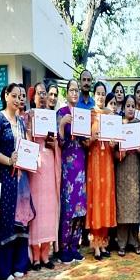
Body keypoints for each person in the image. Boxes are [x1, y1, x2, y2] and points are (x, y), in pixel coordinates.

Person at [0, 83, 34, 280]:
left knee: (21, 220)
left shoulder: (21, 121)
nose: (18, 100)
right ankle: (4, 268)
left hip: (22, 177)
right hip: (6, 176)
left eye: (20, 96)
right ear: (6, 96)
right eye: (14, 96)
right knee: (6, 220)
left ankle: (20, 264)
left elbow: (26, 146)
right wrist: (9, 161)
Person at [28, 82, 61, 270]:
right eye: (39, 93)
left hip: (49, 164)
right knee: (36, 211)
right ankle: (35, 256)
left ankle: (45, 254)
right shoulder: (28, 116)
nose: (42, 96)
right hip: (34, 165)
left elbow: (54, 142)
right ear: (33, 96)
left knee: (49, 208)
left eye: (44, 93)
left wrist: (54, 141)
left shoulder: (51, 117)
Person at [58, 79, 88, 263]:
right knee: (68, 208)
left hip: (81, 163)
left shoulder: (82, 114)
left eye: (77, 90)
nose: (75, 93)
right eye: (72, 90)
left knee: (80, 209)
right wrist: (62, 124)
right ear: (67, 92)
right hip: (67, 166)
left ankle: (75, 245)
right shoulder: (61, 113)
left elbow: (85, 142)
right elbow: (58, 143)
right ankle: (64, 247)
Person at [86, 84, 117, 260]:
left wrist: (114, 144)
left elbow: (116, 143)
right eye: (98, 93)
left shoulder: (110, 115)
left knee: (106, 200)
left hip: (107, 162)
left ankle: (104, 243)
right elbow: (83, 143)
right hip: (94, 161)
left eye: (103, 94)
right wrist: (92, 139)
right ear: (93, 95)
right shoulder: (89, 115)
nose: (100, 97)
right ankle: (95, 245)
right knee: (95, 201)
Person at [116, 94, 140, 256]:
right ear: (123, 108)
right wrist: (121, 152)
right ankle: (122, 242)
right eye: (128, 106)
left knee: (135, 204)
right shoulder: (119, 125)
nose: (131, 109)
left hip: (136, 167)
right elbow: (113, 150)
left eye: (133, 106)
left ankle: (134, 240)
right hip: (122, 168)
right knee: (123, 206)